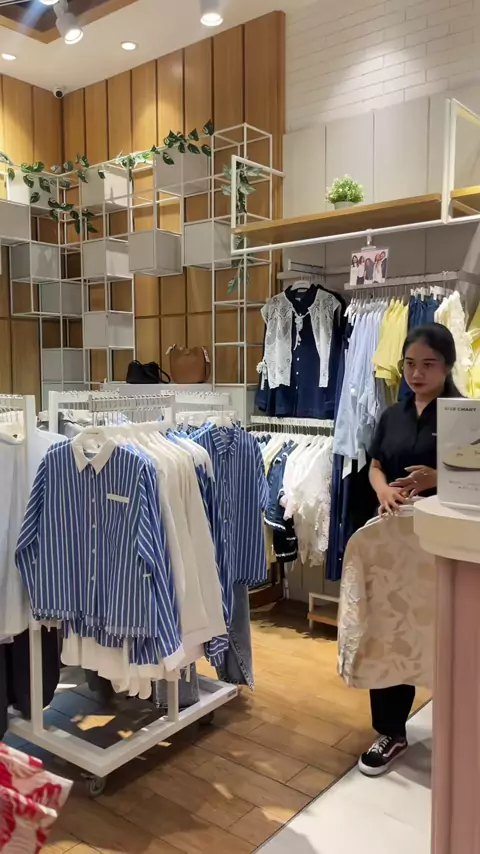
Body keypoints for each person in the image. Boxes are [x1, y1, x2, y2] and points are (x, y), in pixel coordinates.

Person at [358, 322, 462, 777]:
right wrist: (382, 489)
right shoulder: (391, 415)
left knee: (448, 633)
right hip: (393, 539)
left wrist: (439, 478)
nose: (416, 374)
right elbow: (375, 465)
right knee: (389, 631)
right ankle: (391, 730)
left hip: (445, 544)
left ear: (448, 366)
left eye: (428, 364)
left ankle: (460, 729)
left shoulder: (464, 414)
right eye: (409, 364)